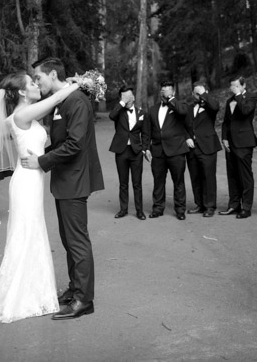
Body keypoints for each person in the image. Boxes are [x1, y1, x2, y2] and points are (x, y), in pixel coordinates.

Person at [0, 71, 81, 323]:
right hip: (26, 181)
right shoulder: (21, 114)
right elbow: (55, 99)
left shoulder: (26, 112)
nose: (36, 85)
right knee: (27, 233)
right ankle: (21, 294)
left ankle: (35, 290)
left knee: (33, 232)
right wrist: (77, 84)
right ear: (21, 91)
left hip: (33, 177)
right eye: (32, 83)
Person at [22, 57, 104, 320]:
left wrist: (41, 161)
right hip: (64, 180)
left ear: (53, 74)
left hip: (75, 180)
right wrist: (42, 155)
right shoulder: (63, 101)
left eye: (39, 78)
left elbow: (75, 144)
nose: (37, 82)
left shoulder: (76, 101)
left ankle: (84, 300)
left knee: (77, 242)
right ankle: (74, 289)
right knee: (69, 241)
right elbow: (61, 142)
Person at [143, 81, 190, 221]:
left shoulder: (179, 106)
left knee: (179, 182)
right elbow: (147, 131)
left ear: (173, 92)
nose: (165, 93)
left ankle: (180, 210)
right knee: (158, 182)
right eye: (163, 91)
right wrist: (145, 148)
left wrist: (171, 99)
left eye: (168, 91)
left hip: (176, 151)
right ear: (160, 93)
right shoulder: (152, 110)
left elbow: (182, 112)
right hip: (158, 151)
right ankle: (157, 209)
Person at [219, 76, 257, 219]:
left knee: (245, 175)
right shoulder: (230, 101)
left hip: (244, 142)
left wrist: (238, 96)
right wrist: (224, 138)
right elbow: (225, 122)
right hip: (230, 143)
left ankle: (246, 207)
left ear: (243, 86)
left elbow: (245, 111)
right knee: (232, 175)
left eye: (236, 86)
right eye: (231, 86)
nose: (233, 89)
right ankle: (234, 205)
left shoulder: (251, 97)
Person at [108, 86, 146, 220]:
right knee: (123, 183)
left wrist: (145, 148)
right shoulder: (118, 111)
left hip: (136, 151)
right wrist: (122, 103)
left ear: (134, 97)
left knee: (137, 183)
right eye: (124, 97)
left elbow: (145, 133)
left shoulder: (141, 113)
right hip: (121, 150)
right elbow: (111, 116)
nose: (127, 99)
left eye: (129, 96)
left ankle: (139, 211)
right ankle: (123, 209)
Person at [184, 82, 221, 218]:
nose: (197, 95)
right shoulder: (188, 108)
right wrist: (187, 137)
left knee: (208, 177)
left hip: (207, 146)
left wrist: (203, 94)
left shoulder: (211, 107)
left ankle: (210, 206)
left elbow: (215, 106)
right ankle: (199, 204)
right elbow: (183, 125)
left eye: (199, 93)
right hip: (192, 148)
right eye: (195, 93)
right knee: (195, 177)